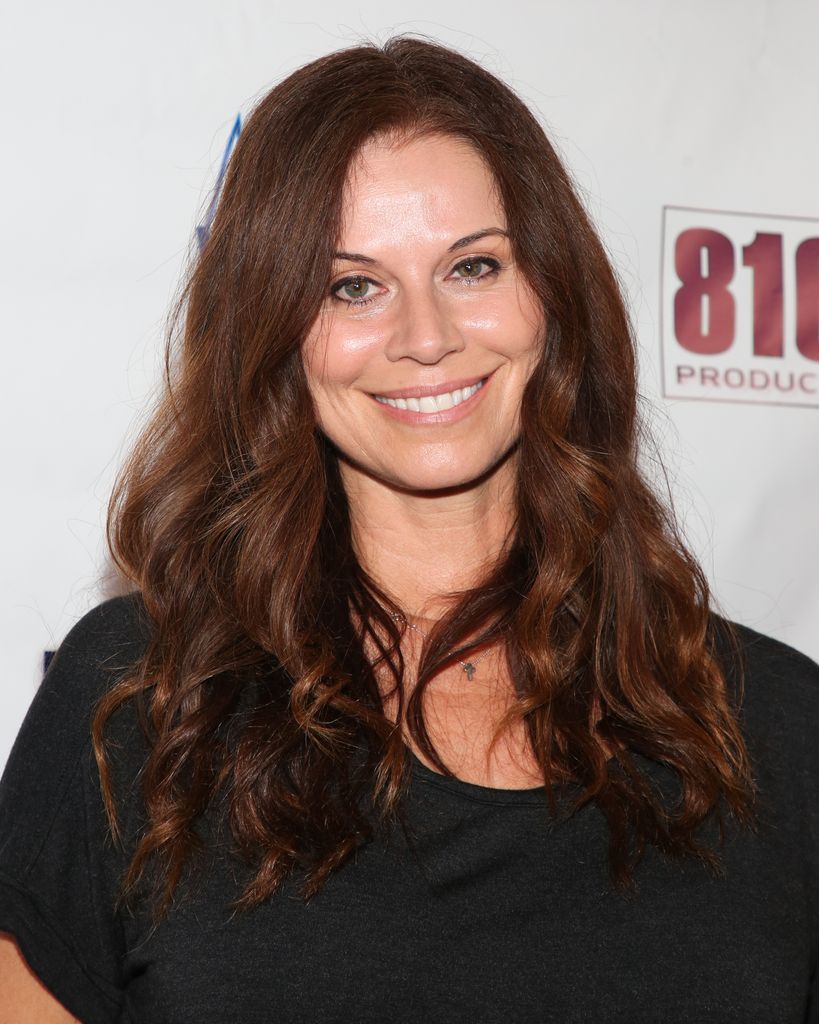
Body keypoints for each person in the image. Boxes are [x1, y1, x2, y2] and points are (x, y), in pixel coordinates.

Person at [1, 33, 818, 1024]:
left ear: (553, 297)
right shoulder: (140, 705)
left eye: (473, 266)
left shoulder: (775, 727)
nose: (426, 337)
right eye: (353, 285)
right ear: (274, 330)